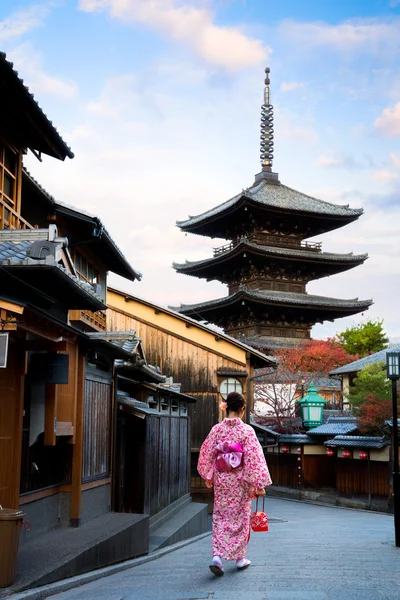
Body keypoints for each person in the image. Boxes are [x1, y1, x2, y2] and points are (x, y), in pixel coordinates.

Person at [197, 391, 272, 576]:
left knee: (220, 516)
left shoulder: (217, 429)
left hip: (222, 479)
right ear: (242, 408)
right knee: (240, 517)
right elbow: (254, 458)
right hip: (240, 480)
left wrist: (208, 476)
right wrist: (259, 483)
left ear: (226, 407)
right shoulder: (246, 431)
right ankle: (240, 559)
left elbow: (207, 453)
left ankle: (217, 556)